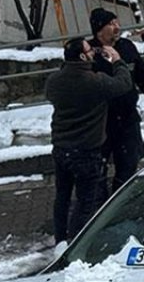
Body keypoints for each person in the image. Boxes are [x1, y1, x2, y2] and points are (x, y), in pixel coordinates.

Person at [47, 37, 135, 244]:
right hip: (86, 151)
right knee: (85, 202)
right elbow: (123, 84)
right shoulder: (95, 82)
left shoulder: (55, 81)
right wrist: (117, 61)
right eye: (89, 50)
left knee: (62, 197)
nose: (93, 53)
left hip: (61, 149)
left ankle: (60, 239)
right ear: (81, 56)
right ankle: (75, 242)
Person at [88, 8, 144, 191]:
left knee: (129, 162)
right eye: (111, 24)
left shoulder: (126, 47)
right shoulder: (90, 53)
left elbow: (142, 76)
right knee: (97, 168)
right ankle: (99, 204)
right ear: (99, 29)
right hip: (100, 121)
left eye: (117, 22)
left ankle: (120, 198)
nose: (117, 27)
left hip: (127, 118)